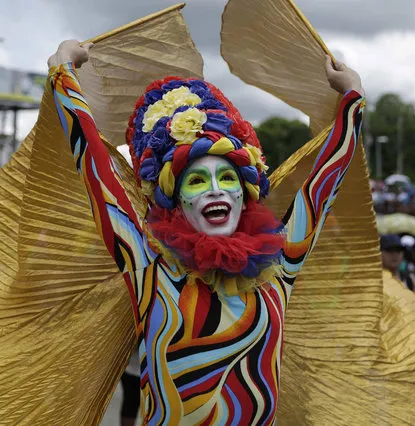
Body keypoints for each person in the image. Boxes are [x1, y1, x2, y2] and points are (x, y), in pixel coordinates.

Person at [48, 39, 364, 424]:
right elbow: (95, 172)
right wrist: (63, 73)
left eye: (227, 177)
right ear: (176, 199)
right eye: (197, 180)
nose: (216, 189)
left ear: (243, 192)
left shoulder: (281, 264)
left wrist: (352, 98)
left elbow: (323, 185)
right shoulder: (149, 269)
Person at [380, 234, 415, 304]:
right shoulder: (374, 281)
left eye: (398, 251)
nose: (395, 255)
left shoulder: (410, 279)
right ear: (379, 253)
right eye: (389, 251)